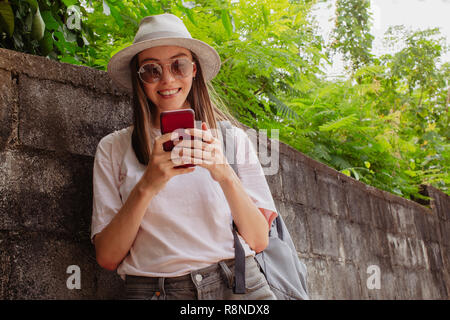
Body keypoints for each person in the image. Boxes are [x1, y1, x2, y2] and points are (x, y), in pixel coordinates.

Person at [91, 13, 279, 300]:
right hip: (154, 290)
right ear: (139, 79)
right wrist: (148, 185)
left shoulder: (232, 140)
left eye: (178, 65)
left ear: (194, 70)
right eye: (151, 70)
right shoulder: (113, 148)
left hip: (238, 285)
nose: (166, 79)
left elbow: (258, 239)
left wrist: (224, 173)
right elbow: (107, 257)